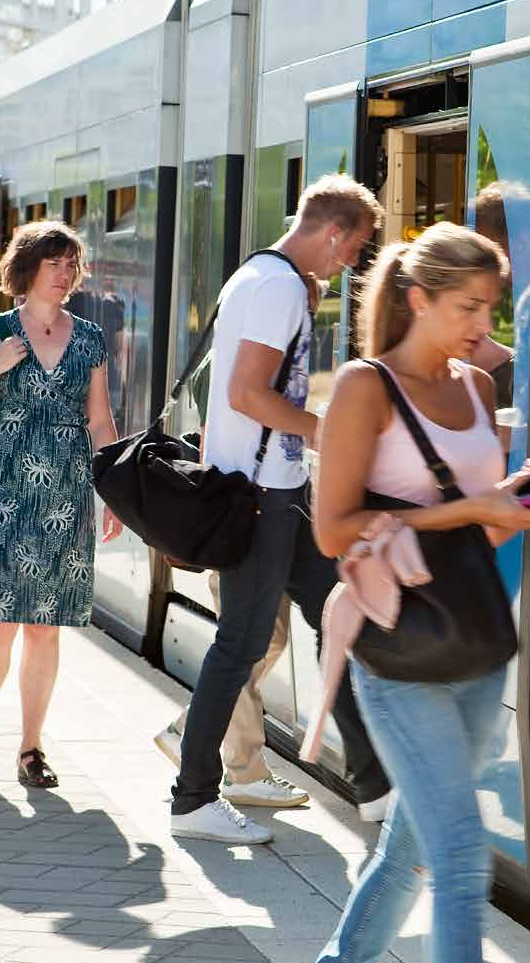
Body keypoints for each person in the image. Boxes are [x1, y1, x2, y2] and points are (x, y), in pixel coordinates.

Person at [311, 221, 530, 963]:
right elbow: (332, 531)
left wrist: (520, 504)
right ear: (418, 299)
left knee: (410, 853)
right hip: (399, 650)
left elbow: (475, 535)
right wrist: (471, 508)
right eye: (467, 308)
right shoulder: (365, 387)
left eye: (490, 308)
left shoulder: (478, 388)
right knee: (460, 861)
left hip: (477, 643)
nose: (484, 328)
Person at [168, 174, 390, 845]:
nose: (348, 264)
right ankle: (193, 798)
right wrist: (324, 429)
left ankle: (375, 783)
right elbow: (244, 393)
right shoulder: (279, 287)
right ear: (332, 230)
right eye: (351, 249)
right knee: (237, 645)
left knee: (336, 618)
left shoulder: (257, 277)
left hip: (275, 490)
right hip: (263, 493)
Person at [0, 222, 122, 789]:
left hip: (64, 497)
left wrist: (112, 487)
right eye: (55, 264)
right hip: (1, 493)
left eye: (72, 264)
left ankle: (32, 747)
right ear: (28, 269)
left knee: (46, 628)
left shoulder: (89, 337)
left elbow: (99, 419)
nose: (66, 274)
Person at [154, 275, 324, 817]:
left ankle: (190, 726)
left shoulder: (275, 364)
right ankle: (243, 769)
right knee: (245, 642)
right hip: (243, 513)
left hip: (261, 508)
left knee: (265, 637)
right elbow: (220, 431)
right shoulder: (248, 360)